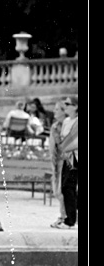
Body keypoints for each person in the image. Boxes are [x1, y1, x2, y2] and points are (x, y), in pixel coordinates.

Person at [55, 96, 78, 229]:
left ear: (76, 107)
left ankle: (70, 221)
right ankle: (70, 217)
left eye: (68, 104)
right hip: (67, 157)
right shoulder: (66, 121)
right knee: (65, 187)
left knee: (69, 187)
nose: (66, 106)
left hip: (75, 157)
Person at [48, 100, 67, 228]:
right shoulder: (55, 126)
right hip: (57, 161)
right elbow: (52, 147)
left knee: (62, 191)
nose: (54, 111)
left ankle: (64, 216)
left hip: (67, 161)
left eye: (57, 109)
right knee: (57, 190)